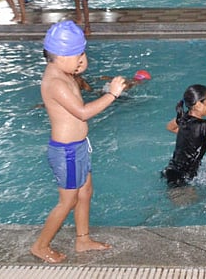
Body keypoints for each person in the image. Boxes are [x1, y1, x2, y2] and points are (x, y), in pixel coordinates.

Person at [30, 21, 127, 264]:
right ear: (62, 56)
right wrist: (112, 94)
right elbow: (82, 113)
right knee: (68, 201)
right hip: (67, 152)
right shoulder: (55, 82)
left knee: (85, 192)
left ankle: (83, 240)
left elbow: (75, 74)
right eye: (78, 55)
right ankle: (41, 246)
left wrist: (78, 65)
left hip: (79, 146)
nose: (82, 59)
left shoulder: (63, 72)